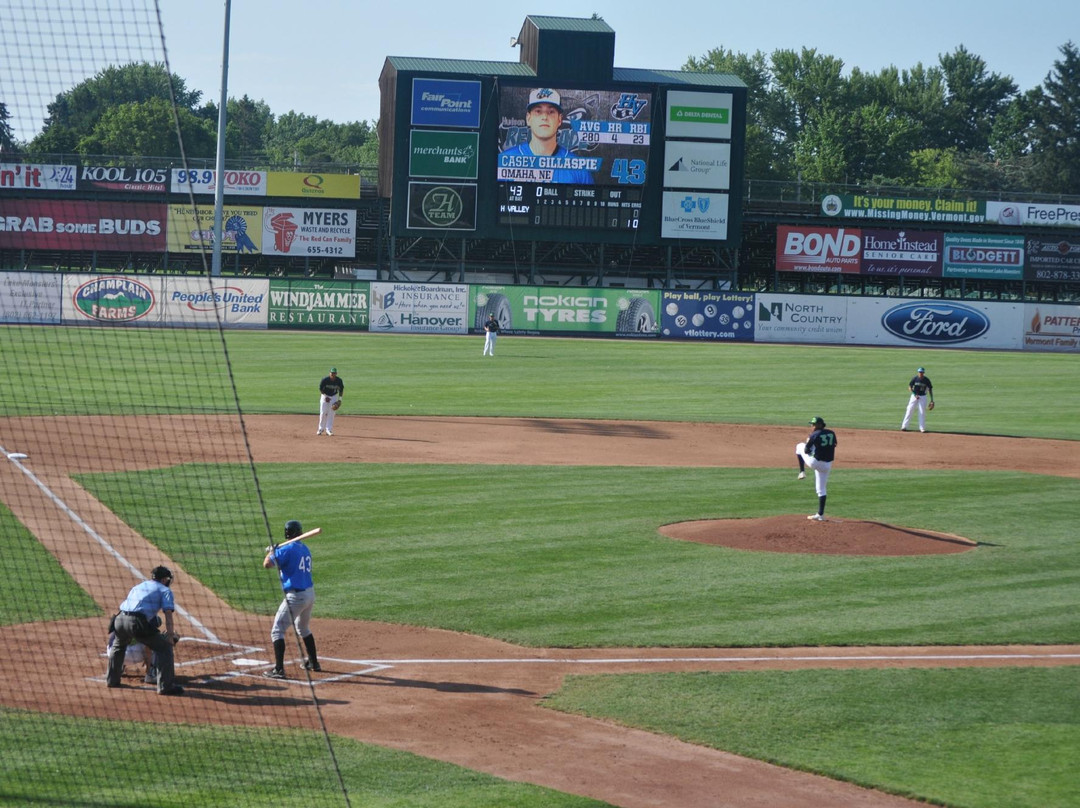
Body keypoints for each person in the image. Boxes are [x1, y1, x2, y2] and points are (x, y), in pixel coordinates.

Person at [106, 566, 183, 695]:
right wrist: (170, 635)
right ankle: (166, 687)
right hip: (136, 622)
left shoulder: (139, 586)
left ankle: (112, 680)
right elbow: (168, 614)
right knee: (164, 648)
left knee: (118, 646)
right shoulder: (165, 590)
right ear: (164, 579)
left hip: (119, 619)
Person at [500, 88, 595, 185]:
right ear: (528, 119)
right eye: (538, 111)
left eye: (551, 112)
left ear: (559, 120)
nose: (544, 117)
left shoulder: (579, 168)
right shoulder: (505, 160)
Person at [263, 519, 320, 679]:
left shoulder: (286, 549)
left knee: (277, 631)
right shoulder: (305, 549)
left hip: (295, 597)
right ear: (299, 533)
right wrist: (276, 551)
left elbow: (267, 564)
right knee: (303, 627)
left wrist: (272, 552)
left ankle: (279, 670)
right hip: (309, 594)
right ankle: (313, 662)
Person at [796, 416, 838, 522]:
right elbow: (834, 445)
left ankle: (802, 471)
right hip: (827, 465)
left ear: (820, 425)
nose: (812, 426)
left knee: (799, 446)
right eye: (812, 424)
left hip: (815, 463)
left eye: (814, 424)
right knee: (821, 490)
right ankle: (820, 515)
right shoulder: (831, 433)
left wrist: (810, 444)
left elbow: (806, 451)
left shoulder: (814, 435)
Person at [901, 367, 934, 433]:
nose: (920, 373)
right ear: (918, 372)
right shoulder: (915, 378)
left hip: (923, 396)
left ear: (923, 373)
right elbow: (910, 387)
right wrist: (914, 394)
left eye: (921, 372)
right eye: (919, 372)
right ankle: (904, 426)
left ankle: (922, 428)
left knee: (922, 412)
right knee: (909, 410)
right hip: (914, 396)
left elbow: (930, 389)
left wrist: (932, 400)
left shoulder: (926, 380)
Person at [316, 366, 343, 436]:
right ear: (329, 373)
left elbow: (341, 390)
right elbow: (320, 389)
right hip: (324, 395)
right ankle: (320, 429)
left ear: (336, 373)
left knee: (331, 413)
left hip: (334, 396)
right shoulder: (325, 380)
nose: (333, 374)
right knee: (323, 412)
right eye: (332, 373)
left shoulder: (339, 381)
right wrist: (325, 396)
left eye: (334, 373)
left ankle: (329, 429)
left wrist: (340, 400)